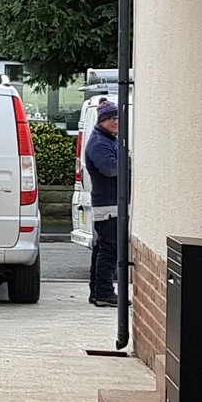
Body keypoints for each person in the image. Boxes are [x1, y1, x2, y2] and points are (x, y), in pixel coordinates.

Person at [85, 100, 124, 306]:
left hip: (108, 205)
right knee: (109, 250)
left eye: (118, 118)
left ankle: (97, 292)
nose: (116, 122)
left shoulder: (108, 140)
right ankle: (104, 293)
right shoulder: (100, 143)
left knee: (102, 249)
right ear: (103, 120)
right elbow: (110, 169)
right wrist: (129, 161)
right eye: (112, 119)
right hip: (108, 206)